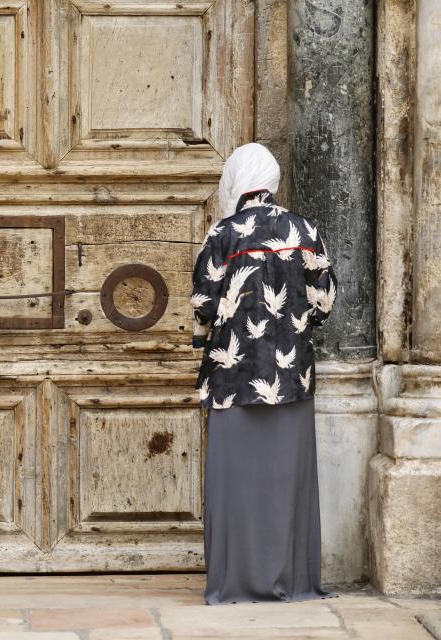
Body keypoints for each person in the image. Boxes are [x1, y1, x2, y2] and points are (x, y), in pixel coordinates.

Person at [190, 143, 337, 604]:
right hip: (291, 378)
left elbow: (202, 305)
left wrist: (207, 336)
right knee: (285, 482)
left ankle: (232, 585)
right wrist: (291, 332)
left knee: (236, 482)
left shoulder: (223, 234)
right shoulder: (306, 229)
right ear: (271, 182)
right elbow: (325, 300)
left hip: (234, 380)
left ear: (235, 181)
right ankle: (291, 583)